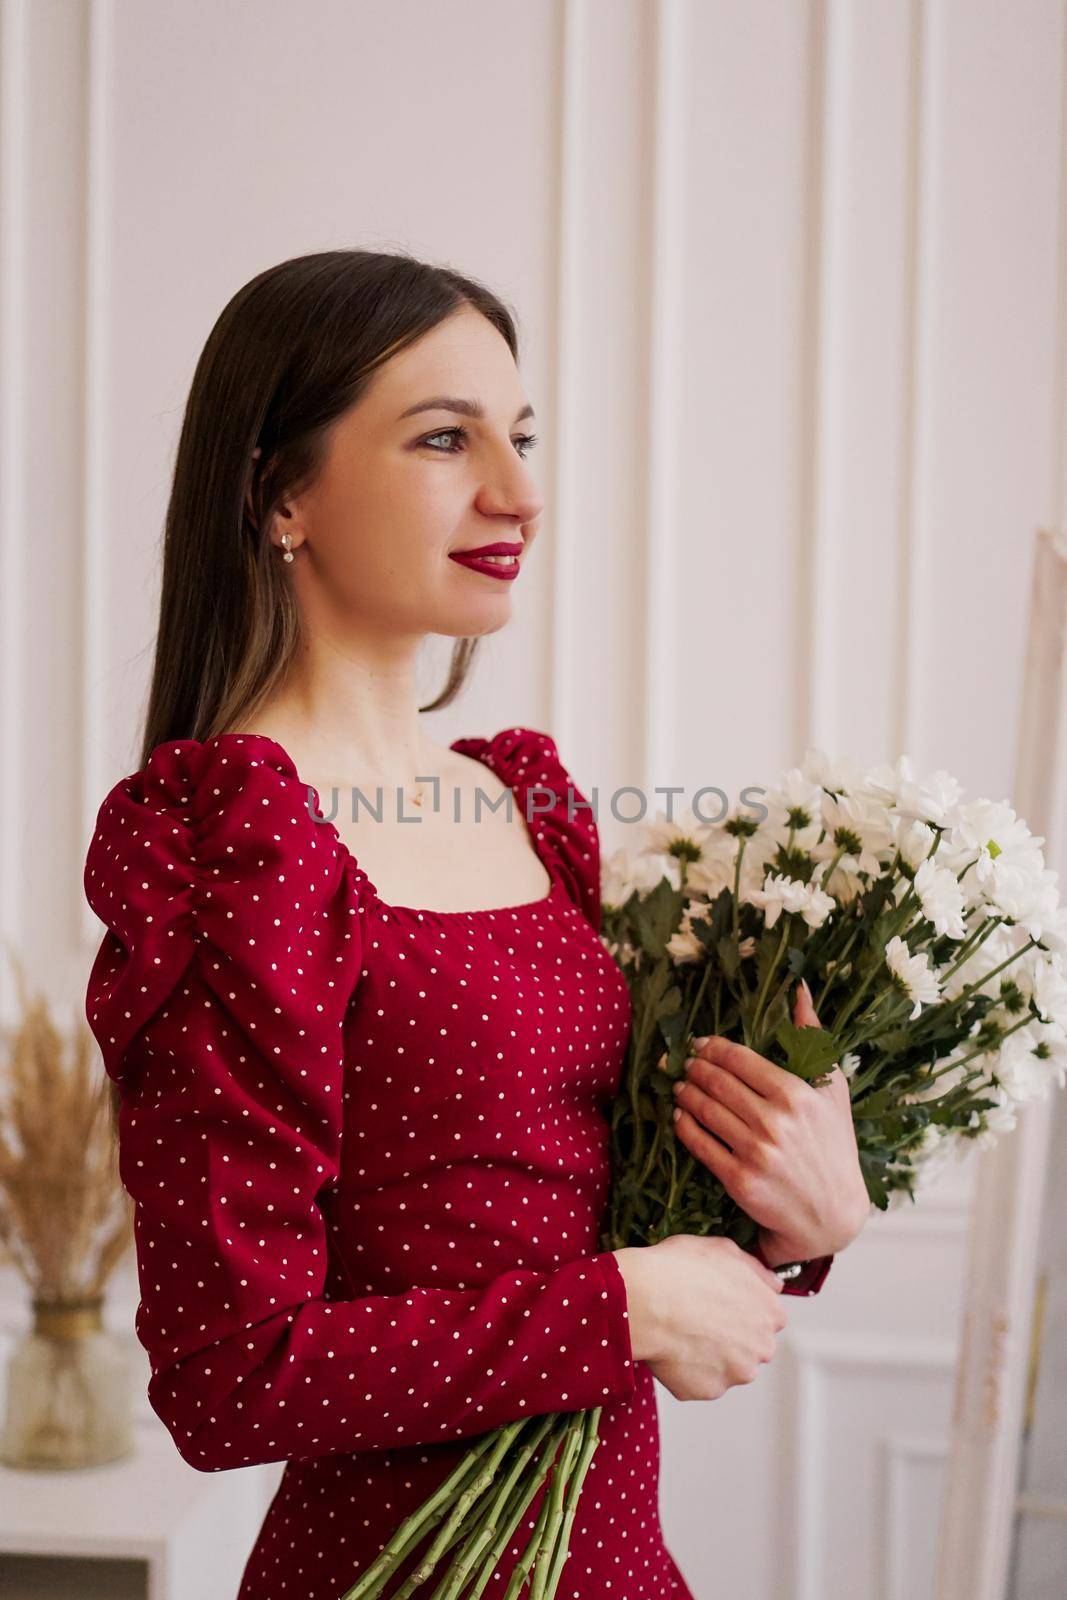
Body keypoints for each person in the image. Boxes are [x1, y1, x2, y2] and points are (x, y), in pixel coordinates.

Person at [83, 249, 859, 1600]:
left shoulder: (527, 799)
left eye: (523, 435)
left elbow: (579, 1208)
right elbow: (230, 1379)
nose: (519, 491)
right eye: (445, 438)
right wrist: (626, 1312)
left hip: (615, 1560)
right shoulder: (238, 850)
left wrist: (798, 1224)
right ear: (280, 495)